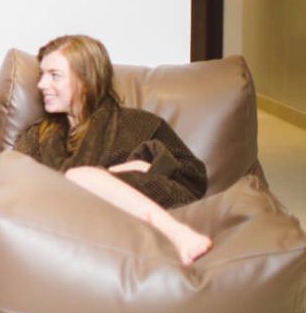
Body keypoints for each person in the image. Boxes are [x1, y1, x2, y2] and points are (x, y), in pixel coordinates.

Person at [14, 34, 213, 265]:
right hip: (70, 224)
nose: (41, 85)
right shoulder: (37, 137)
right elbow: (15, 182)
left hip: (146, 221)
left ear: (86, 80)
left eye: (54, 75)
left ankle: (178, 233)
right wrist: (111, 175)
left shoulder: (141, 124)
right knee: (78, 176)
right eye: (42, 75)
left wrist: (148, 167)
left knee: (80, 175)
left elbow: (193, 175)